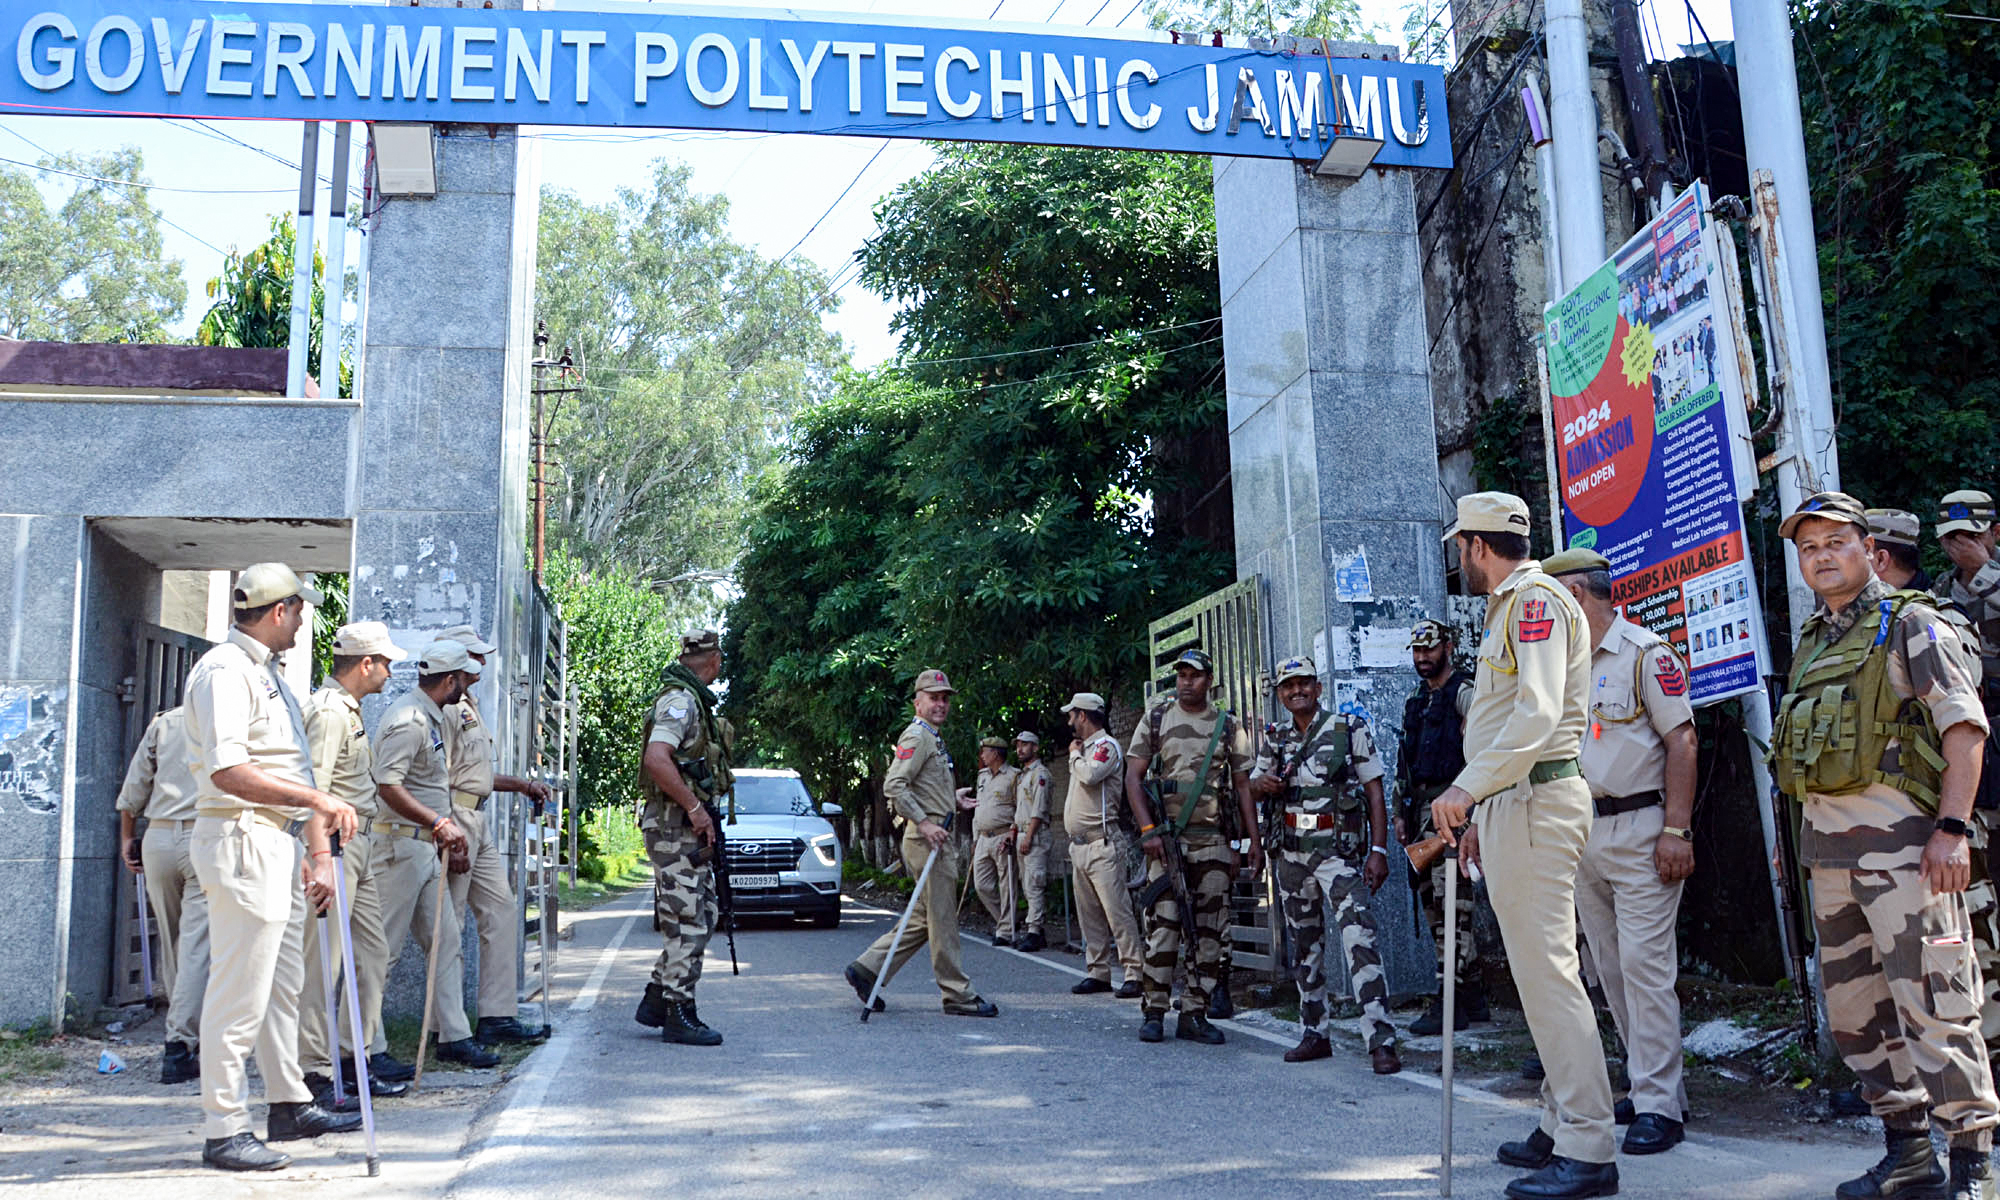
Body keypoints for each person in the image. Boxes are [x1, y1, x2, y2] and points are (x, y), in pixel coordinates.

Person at [1774, 491, 2000, 1200]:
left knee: (1938, 1005)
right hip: (1832, 862)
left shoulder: (1911, 625)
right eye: (1808, 548)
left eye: (1835, 542)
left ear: (1869, 551)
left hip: (1909, 857)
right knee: (1857, 1018)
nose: (1821, 557)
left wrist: (1953, 830)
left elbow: (1965, 731)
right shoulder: (1814, 639)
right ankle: (1908, 1154)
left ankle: (1974, 1164)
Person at [1430, 494, 1617, 1200]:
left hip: (1535, 797)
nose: (1460, 558)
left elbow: (1537, 714)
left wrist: (1467, 788)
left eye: (1461, 546)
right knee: (1542, 977)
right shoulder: (1513, 605)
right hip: (1518, 800)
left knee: (1550, 978)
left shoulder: (1533, 601)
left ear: (1477, 546)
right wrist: (1486, 800)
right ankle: (1561, 1118)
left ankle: (1590, 1145)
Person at [182, 563, 363, 1171]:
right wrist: (317, 804)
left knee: (279, 986)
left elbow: (297, 771)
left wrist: (316, 852)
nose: (304, 618)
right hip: (240, 837)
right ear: (279, 610)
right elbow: (227, 771)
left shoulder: (270, 676)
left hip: (277, 842)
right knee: (238, 989)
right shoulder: (224, 671)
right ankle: (223, 1126)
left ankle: (288, 1102)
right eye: (299, 608)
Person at [1545, 548, 1698, 1156]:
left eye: (1555, 601)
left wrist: (1677, 830)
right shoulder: (1562, 665)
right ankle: (1650, 1081)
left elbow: (1682, 740)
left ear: (1578, 595)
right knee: (1606, 969)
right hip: (1583, 833)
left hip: (1641, 827)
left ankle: (1661, 1105)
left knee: (1645, 968)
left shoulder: (1645, 655)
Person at [1250, 654, 1400, 1074]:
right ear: (1280, 694)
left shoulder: (1347, 728)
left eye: (1304, 684)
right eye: (1288, 686)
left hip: (1337, 854)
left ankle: (1381, 1039)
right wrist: (1263, 784)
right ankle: (1315, 1032)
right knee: (1304, 948)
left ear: (1318, 688)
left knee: (1359, 940)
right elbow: (1253, 787)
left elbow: (1374, 791)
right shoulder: (1274, 737)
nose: (1296, 690)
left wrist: (1379, 850)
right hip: (1292, 855)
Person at [370, 641, 498, 1072]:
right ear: (449, 680)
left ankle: (454, 1037)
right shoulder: (408, 720)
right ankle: (365, 1049)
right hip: (399, 848)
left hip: (427, 847)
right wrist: (438, 822)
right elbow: (388, 785)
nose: (469, 683)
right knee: (379, 953)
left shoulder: (430, 717)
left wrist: (442, 831)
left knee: (445, 944)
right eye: (464, 677)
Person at [297, 622, 411, 1106]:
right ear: (365, 663)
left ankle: (353, 1056)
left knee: (372, 955)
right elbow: (314, 791)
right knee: (325, 961)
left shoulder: (351, 710)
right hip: (335, 845)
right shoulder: (328, 712)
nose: (389, 672)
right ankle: (315, 1071)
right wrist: (318, 857)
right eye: (385, 663)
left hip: (359, 842)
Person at [1124, 648, 1259, 1046]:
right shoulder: (1157, 718)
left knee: (1209, 932)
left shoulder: (1228, 725)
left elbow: (1243, 788)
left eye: (1195, 675)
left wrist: (1252, 842)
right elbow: (1133, 779)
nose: (1186, 681)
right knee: (1163, 927)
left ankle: (1195, 1013)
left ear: (1209, 681)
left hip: (1214, 842)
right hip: (1167, 841)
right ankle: (1154, 1011)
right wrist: (1148, 831)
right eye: (1181, 675)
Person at [844, 670, 998, 1018]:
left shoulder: (931, 737)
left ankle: (867, 969)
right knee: (942, 919)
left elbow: (921, 787)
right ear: (918, 702)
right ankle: (958, 995)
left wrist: (950, 799)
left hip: (933, 837)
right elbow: (895, 785)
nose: (941, 703)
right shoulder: (916, 736)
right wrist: (926, 821)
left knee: (923, 917)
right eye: (934, 697)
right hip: (928, 841)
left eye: (945, 698)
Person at [438, 624, 555, 1046]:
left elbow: (477, 775)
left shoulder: (468, 704)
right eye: (475, 656)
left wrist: (522, 785)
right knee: (447, 927)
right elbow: (440, 779)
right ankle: (446, 1030)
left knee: (502, 912)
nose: (483, 663)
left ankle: (497, 1015)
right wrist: (447, 832)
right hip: (456, 820)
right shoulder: (446, 708)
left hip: (479, 819)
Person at [633, 630, 734, 1045]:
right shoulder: (680, 702)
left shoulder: (693, 701)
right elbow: (656, 759)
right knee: (688, 920)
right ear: (714, 661)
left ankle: (656, 999)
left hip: (683, 826)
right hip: (674, 827)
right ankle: (678, 1012)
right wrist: (694, 808)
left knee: (703, 913)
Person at [1395, 618, 1491, 1036]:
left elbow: (1483, 753)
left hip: (1456, 813)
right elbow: (1405, 761)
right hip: (1422, 815)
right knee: (1434, 907)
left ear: (1448, 648)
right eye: (1417, 652)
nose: (1422, 658)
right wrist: (1401, 812)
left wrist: (1476, 812)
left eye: (1429, 650)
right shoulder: (1416, 701)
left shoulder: (1465, 694)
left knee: (1454, 905)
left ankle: (1448, 1001)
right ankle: (1471, 996)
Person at [116, 705, 206, 1085]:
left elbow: (134, 788)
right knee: (199, 944)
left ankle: (178, 1033)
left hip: (158, 836)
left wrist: (126, 839)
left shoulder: (165, 722)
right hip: (206, 835)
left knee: (172, 942)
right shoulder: (234, 717)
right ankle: (181, 1044)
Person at [1062, 693, 1144, 998]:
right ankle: (1097, 971)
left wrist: (1074, 756)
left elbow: (1090, 775)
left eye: (1072, 715)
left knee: (1116, 911)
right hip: (1080, 846)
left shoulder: (1106, 747)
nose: (1069, 721)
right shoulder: (1086, 749)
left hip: (1103, 843)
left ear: (1083, 716)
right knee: (1089, 914)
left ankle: (1135, 972)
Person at [967, 737, 1023, 947]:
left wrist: (1013, 831)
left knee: (1007, 885)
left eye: (985, 751)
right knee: (981, 885)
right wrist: (974, 838)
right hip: (982, 836)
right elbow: (978, 808)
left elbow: (1020, 807)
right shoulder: (982, 776)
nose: (982, 756)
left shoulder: (1013, 776)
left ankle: (1006, 930)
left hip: (1002, 835)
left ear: (996, 754)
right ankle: (1007, 921)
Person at [1011, 733, 1053, 953]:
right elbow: (1021, 809)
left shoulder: (1040, 774)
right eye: (1018, 745)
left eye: (1025, 745)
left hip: (1035, 835)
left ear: (1035, 748)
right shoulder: (1023, 776)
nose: (1020, 749)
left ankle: (1034, 931)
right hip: (1023, 834)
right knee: (1027, 885)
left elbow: (1039, 809)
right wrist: (1014, 831)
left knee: (1035, 884)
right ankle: (1035, 929)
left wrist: (1028, 837)